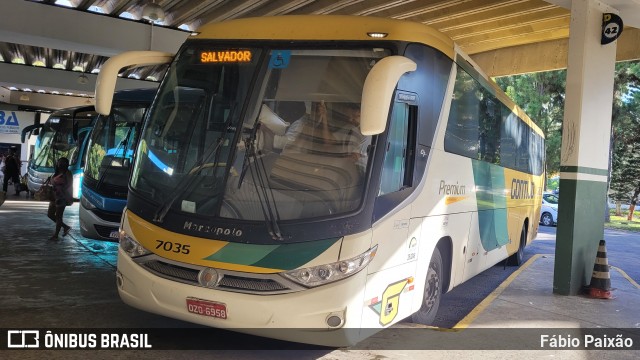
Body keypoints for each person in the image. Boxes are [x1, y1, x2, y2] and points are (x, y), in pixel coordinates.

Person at [47, 157, 73, 241]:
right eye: (59, 162)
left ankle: (56, 235)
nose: (60, 164)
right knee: (50, 214)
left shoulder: (67, 173)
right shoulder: (56, 172)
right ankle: (65, 227)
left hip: (62, 197)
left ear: (66, 164)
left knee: (58, 216)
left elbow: (68, 185)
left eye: (62, 163)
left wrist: (60, 188)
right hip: (53, 197)